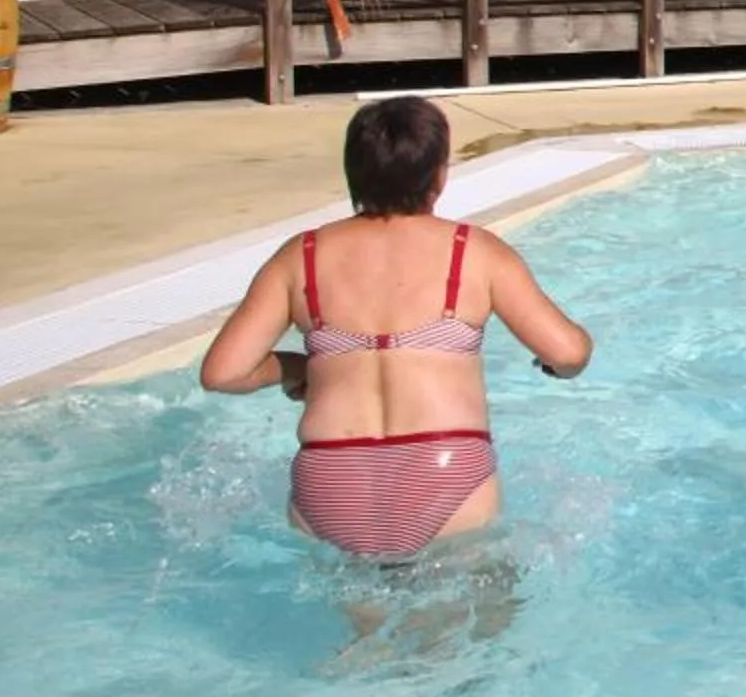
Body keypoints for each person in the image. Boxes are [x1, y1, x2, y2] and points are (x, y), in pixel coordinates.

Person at [197, 97, 593, 561]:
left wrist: (293, 367)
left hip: (331, 479)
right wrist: (558, 367)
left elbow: (222, 373)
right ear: (439, 174)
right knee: (471, 621)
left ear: (353, 171)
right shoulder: (474, 252)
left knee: (365, 629)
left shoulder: (300, 256)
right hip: (446, 470)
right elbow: (568, 352)